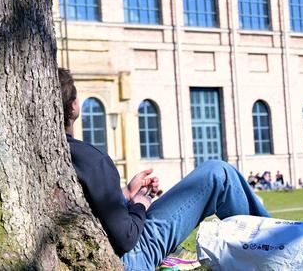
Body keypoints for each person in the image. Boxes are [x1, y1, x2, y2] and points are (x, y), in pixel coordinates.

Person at [58, 68, 269, 271]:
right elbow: (126, 239)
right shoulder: (91, 158)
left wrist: (126, 194)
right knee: (218, 175)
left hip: (111, 247)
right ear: (74, 105)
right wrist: (140, 205)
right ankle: (279, 243)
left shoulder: (58, 154)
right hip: (129, 258)